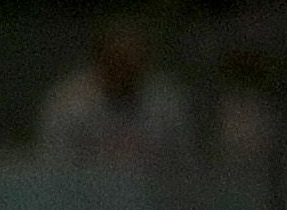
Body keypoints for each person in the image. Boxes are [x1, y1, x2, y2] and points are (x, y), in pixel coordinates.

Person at [30, 18, 196, 167]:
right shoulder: (68, 105)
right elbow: (54, 169)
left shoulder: (166, 104)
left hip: (149, 197)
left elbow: (183, 168)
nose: (123, 72)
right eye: (116, 62)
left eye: (131, 64)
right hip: (84, 196)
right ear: (99, 62)